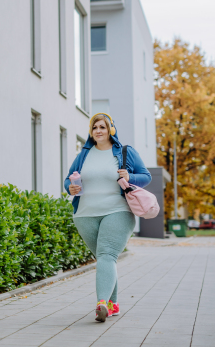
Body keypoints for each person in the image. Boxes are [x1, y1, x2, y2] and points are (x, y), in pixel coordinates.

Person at [64, 113, 151, 322]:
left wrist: (130, 177)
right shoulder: (84, 154)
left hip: (117, 211)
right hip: (85, 214)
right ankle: (113, 305)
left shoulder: (124, 152)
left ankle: (101, 303)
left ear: (111, 129)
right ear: (90, 132)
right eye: (94, 128)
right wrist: (70, 187)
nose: (98, 131)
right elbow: (68, 179)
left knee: (106, 255)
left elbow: (146, 176)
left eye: (102, 127)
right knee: (105, 259)